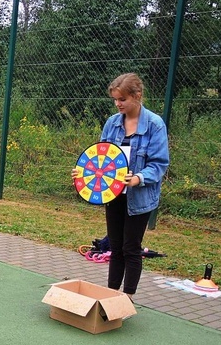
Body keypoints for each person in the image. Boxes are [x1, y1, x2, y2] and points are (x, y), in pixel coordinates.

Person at [71, 73, 169, 300]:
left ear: (137, 95)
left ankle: (128, 298)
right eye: (115, 99)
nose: (118, 104)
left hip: (140, 197)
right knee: (115, 248)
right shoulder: (112, 123)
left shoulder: (154, 124)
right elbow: (100, 158)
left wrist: (138, 178)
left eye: (122, 99)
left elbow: (159, 164)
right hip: (113, 195)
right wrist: (83, 174)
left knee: (131, 248)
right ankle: (111, 295)